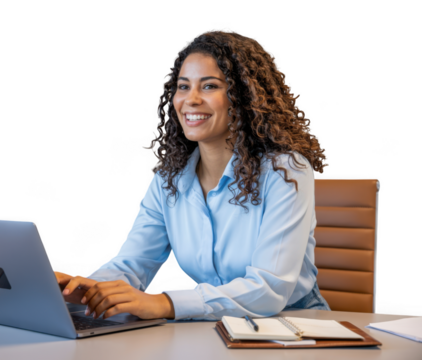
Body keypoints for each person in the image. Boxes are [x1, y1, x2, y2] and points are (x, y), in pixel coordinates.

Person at [55, 28, 330, 321]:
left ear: (244, 96)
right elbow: (133, 263)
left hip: (293, 323)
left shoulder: (285, 170)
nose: (191, 99)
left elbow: (270, 288)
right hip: (215, 325)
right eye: (183, 87)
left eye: (209, 86)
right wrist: (87, 290)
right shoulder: (169, 179)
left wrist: (165, 304)